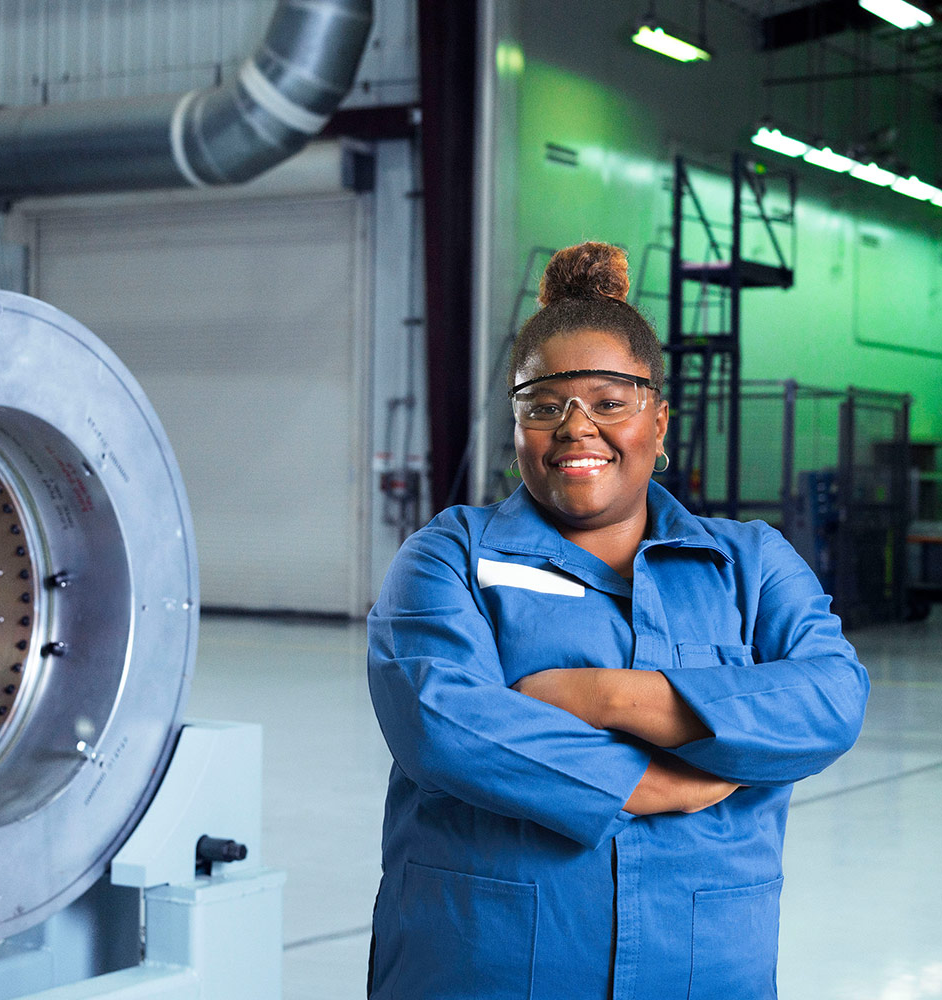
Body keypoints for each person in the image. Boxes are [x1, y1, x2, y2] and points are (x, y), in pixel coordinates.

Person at [366, 241, 869, 999]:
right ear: (517, 424)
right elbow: (442, 721)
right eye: (544, 405)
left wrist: (599, 696)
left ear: (659, 424)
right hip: (486, 962)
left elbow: (831, 698)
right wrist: (663, 780)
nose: (576, 428)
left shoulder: (750, 564)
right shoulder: (448, 558)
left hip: (699, 966)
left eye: (610, 401)